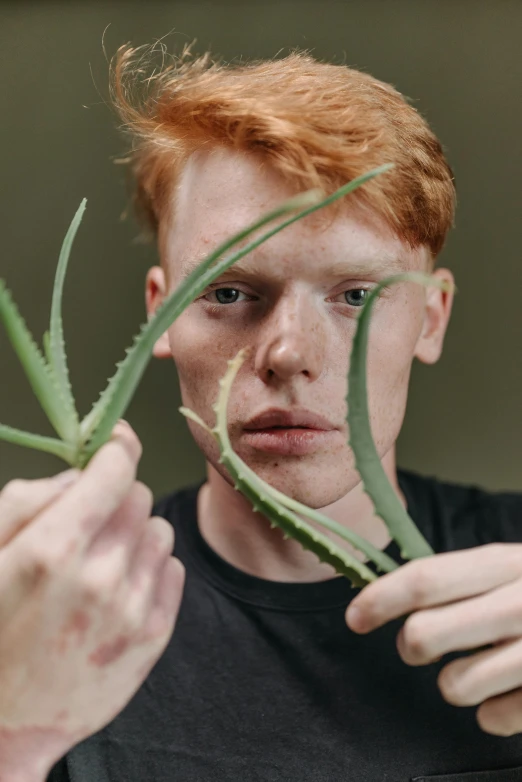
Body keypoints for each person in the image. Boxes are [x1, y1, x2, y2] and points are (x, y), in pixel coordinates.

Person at [1, 44, 522, 782]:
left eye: (357, 297)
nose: (287, 354)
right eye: (228, 293)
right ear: (162, 318)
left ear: (431, 320)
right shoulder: (46, 610)